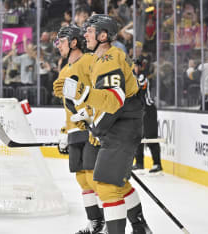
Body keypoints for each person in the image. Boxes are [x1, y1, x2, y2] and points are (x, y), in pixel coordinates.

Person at [54, 14, 152, 234]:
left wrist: (82, 93)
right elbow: (104, 103)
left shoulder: (109, 58)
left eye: (89, 30)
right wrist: (91, 123)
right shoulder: (101, 59)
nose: (85, 34)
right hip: (116, 127)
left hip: (123, 127)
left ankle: (134, 227)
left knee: (106, 185)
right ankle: (139, 227)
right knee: (112, 183)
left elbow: (113, 100)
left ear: (103, 35)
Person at [53, 25, 106, 234]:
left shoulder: (90, 61)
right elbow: (68, 105)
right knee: (81, 178)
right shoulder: (64, 70)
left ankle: (111, 222)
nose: (59, 46)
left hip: (91, 126)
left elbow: (100, 91)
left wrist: (92, 116)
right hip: (74, 129)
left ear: (74, 42)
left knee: (95, 177)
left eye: (62, 42)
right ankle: (95, 222)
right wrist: (65, 131)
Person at [132, 58, 163, 174]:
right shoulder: (133, 77)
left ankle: (157, 164)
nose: (133, 68)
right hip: (139, 110)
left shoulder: (142, 77)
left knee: (151, 136)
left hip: (148, 110)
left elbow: (137, 87)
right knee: (138, 136)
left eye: (135, 66)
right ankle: (139, 163)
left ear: (140, 67)